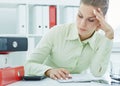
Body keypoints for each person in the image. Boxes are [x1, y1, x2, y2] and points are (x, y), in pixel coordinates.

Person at [25, 0, 114, 80]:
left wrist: (109, 34)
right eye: (80, 16)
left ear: (101, 21)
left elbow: (97, 73)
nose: (82, 24)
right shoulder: (57, 32)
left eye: (90, 20)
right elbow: (29, 65)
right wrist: (49, 71)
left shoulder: (101, 40)